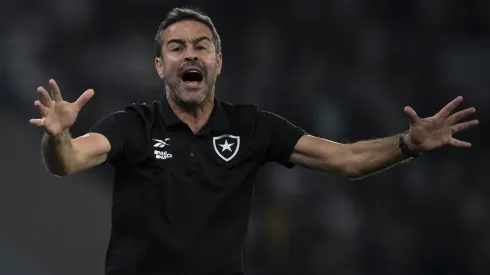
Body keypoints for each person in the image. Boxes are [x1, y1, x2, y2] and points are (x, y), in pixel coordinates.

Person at [29, 7, 479, 275]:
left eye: (201, 46)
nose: (190, 54)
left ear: (218, 62)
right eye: (177, 47)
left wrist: (408, 143)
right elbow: (67, 161)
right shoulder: (131, 125)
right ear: (160, 67)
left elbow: (344, 160)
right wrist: (58, 137)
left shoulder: (252, 127)